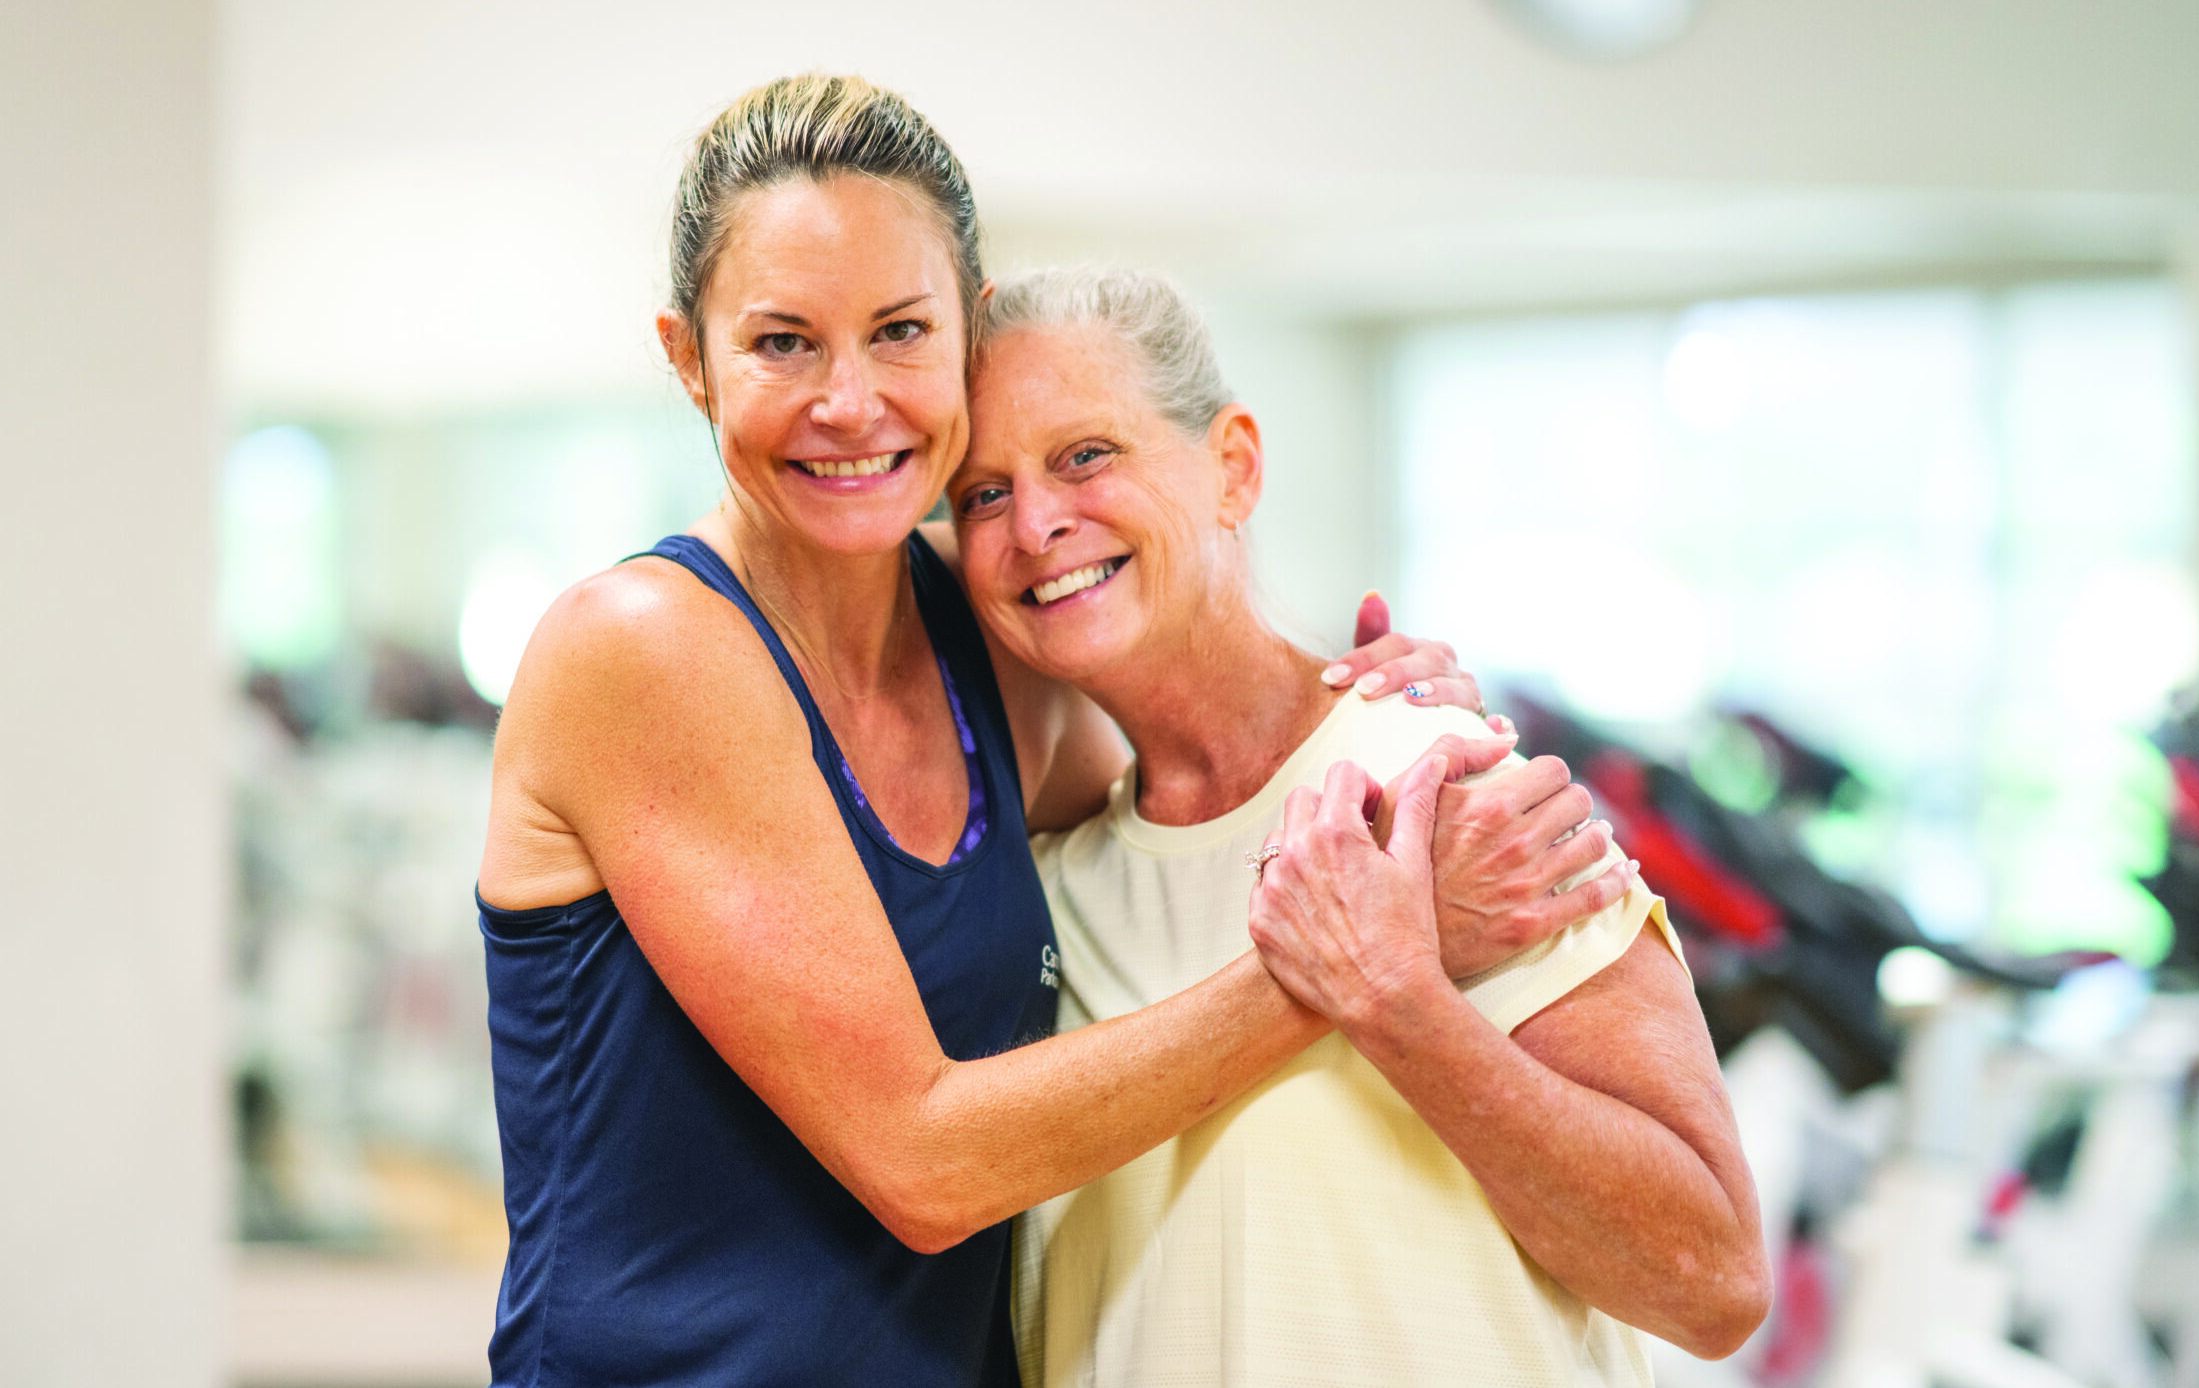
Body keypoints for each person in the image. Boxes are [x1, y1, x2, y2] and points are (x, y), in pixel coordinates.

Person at [473, 76, 1639, 1387]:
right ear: (689, 357)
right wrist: (1372, 955)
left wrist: (1352, 708)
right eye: (783, 342)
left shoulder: (990, 647)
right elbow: (924, 1159)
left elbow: (1187, 830)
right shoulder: (644, 644)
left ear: (965, 336)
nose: (850, 402)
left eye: (899, 332)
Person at [948, 267, 1772, 1387]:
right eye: (980, 493)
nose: (1036, 521)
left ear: (1232, 465)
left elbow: (1709, 1279)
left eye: (1085, 455)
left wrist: (1404, 1004)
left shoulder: (1451, 795)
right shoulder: (1043, 893)